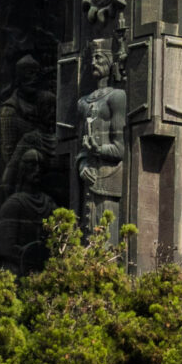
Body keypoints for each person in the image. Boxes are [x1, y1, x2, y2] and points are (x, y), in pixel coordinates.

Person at [76, 38, 127, 242]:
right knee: (87, 238)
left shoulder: (117, 97)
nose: (93, 63)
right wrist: (81, 165)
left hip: (108, 178)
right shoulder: (83, 102)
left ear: (110, 61)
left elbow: (120, 149)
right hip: (88, 178)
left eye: (99, 58)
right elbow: (80, 148)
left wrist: (97, 150)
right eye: (91, 59)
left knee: (104, 241)